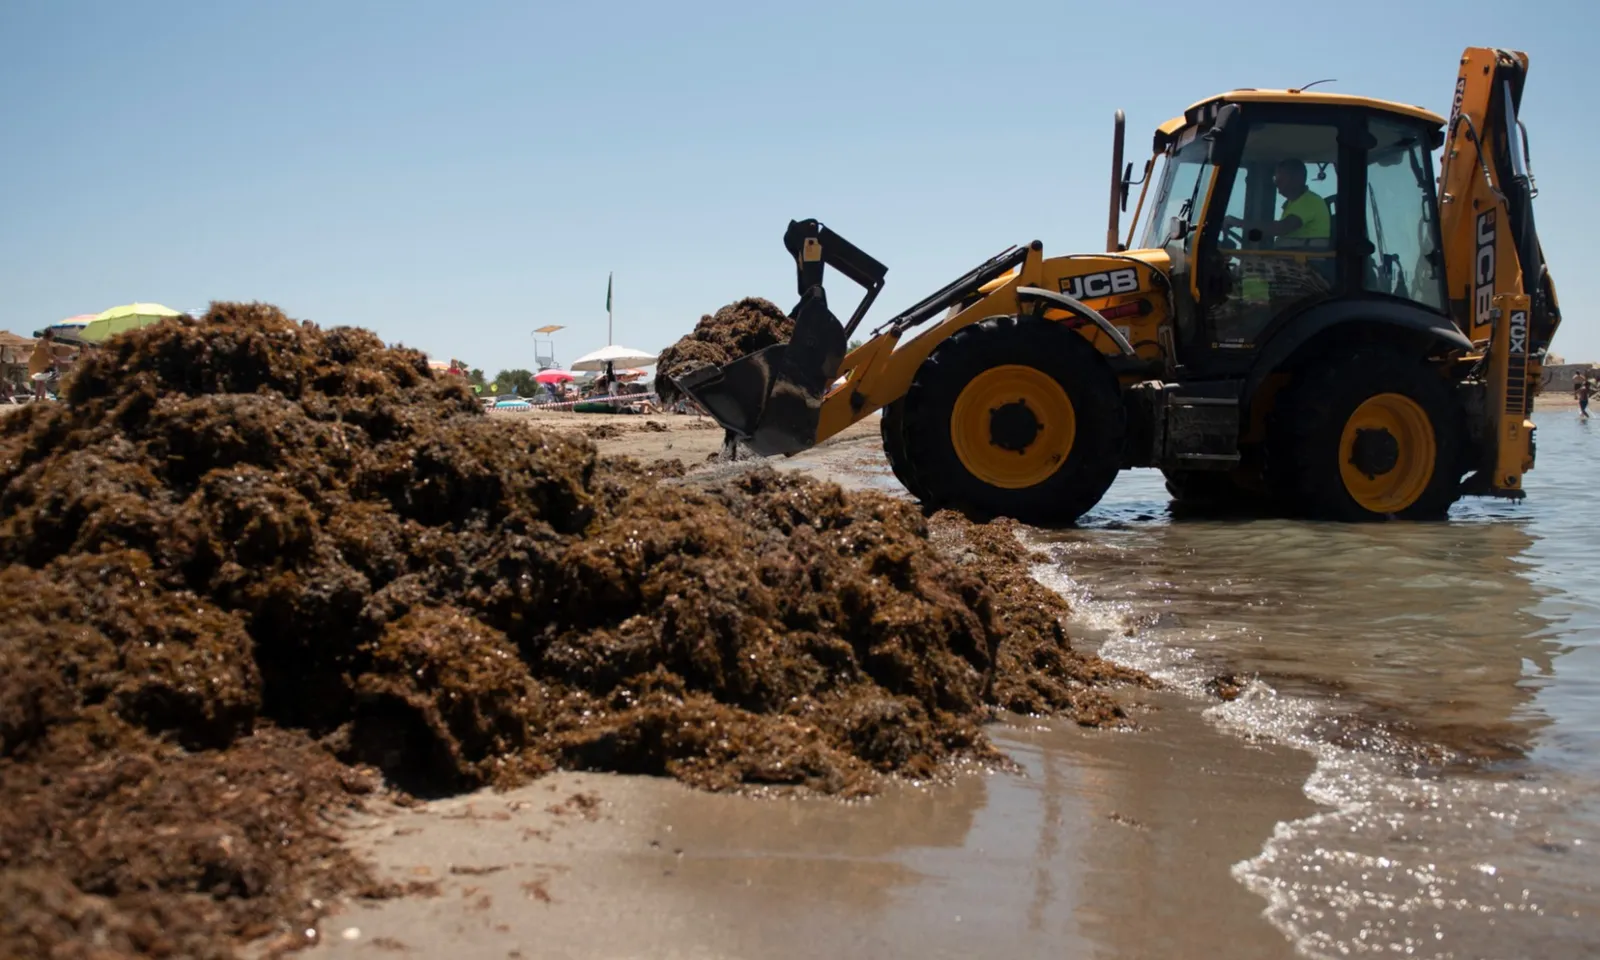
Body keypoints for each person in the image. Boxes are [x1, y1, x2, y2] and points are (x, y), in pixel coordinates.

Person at [1224, 159, 1331, 247]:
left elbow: (1280, 229)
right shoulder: (1293, 203)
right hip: (1292, 262)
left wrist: (1238, 223)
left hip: (1305, 266)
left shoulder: (1309, 202)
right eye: (1275, 178)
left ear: (1297, 178)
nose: (1276, 183)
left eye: (1281, 178)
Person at [28, 329, 58, 400]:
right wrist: (57, 359)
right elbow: (50, 354)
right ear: (50, 335)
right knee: (41, 382)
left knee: (40, 382)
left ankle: (39, 399)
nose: (53, 337)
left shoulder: (40, 340)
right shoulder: (45, 342)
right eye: (53, 335)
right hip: (39, 363)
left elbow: (44, 353)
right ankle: (40, 399)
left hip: (34, 362)